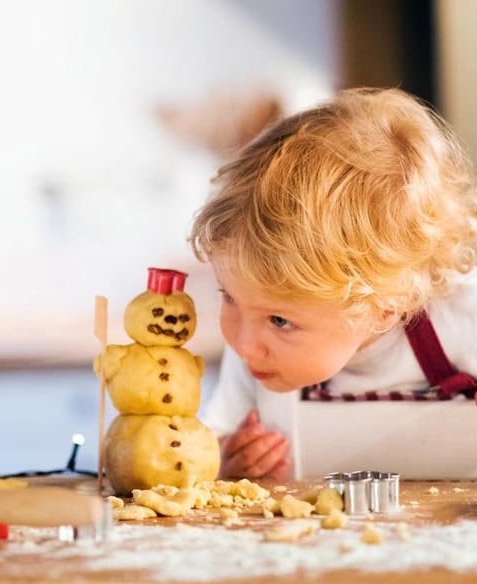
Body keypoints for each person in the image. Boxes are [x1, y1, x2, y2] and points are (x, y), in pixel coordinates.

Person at [189, 87, 477, 481]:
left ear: (384, 308)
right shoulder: (254, 344)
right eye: (229, 297)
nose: (241, 344)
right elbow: (211, 441)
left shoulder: (465, 315)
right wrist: (224, 459)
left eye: (280, 321)